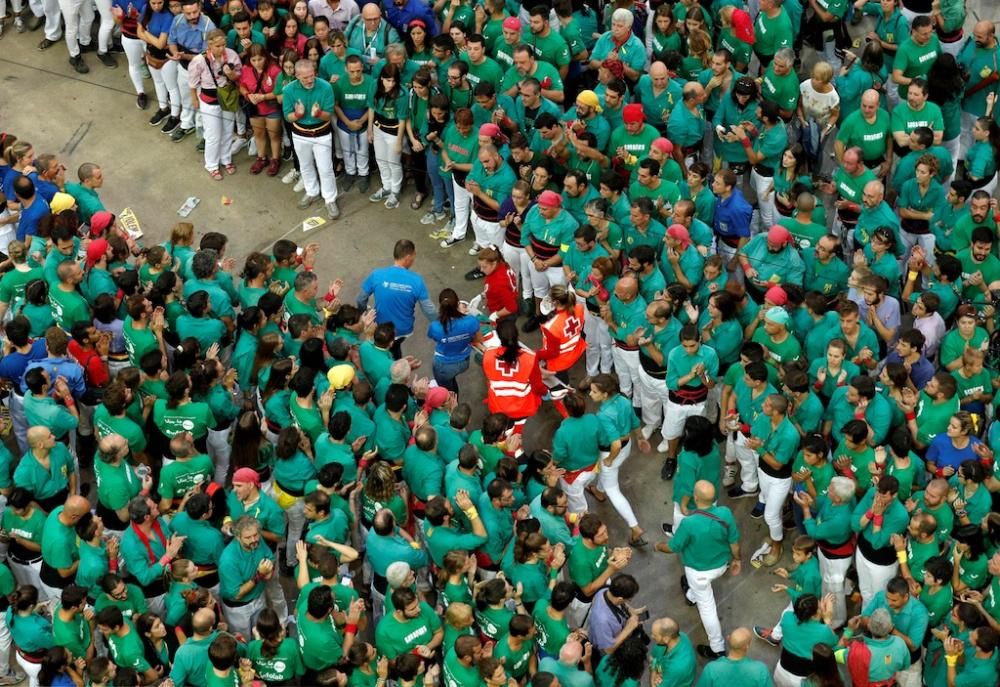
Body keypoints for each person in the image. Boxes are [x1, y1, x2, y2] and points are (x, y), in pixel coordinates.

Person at [656, 481, 741, 659]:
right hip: (721, 565)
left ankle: (717, 648)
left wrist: (658, 546)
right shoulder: (725, 513)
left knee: (707, 608)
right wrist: (737, 560)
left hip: (699, 573)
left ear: (695, 497)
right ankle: (691, 595)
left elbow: (673, 547)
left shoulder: (689, 523)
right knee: (698, 592)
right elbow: (733, 541)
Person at [282, 58, 341, 220]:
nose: (309, 80)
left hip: (322, 134)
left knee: (325, 168)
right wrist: (298, 115)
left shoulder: (326, 87)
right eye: (305, 77)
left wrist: (319, 114)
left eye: (312, 76)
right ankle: (311, 191)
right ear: (297, 76)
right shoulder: (288, 90)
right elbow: (287, 116)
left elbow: (329, 114)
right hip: (300, 134)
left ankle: (330, 198)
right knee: (305, 166)